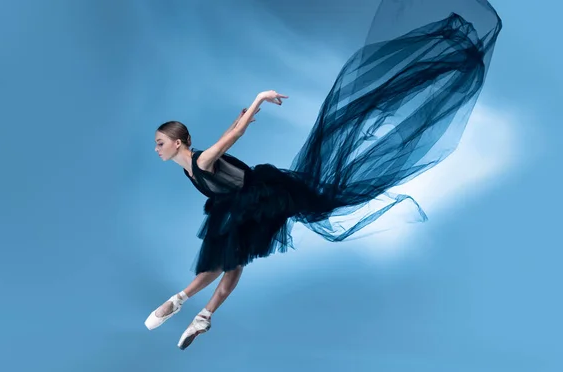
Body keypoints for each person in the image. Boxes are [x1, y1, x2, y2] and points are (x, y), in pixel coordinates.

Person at [144, 0, 503, 350]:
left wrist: (259, 99)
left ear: (178, 143)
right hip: (241, 208)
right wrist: (242, 117)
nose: (157, 148)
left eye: (161, 142)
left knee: (226, 259)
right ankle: (203, 316)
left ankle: (176, 302)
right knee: (233, 262)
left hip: (266, 196)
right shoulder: (193, 165)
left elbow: (231, 138)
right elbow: (229, 134)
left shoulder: (202, 160)